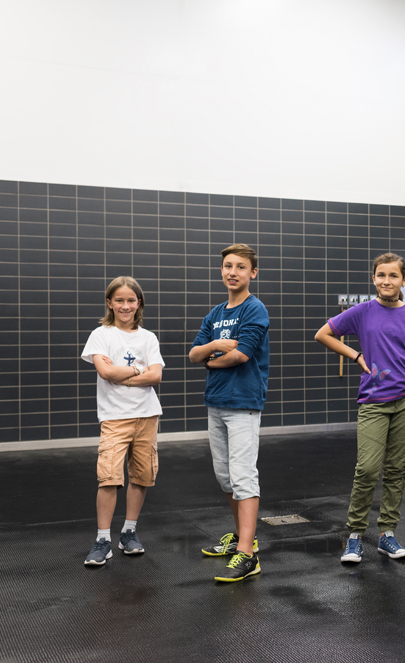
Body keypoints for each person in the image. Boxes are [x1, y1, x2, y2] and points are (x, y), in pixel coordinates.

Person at [315, 253, 405, 563]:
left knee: (396, 468)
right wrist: (354, 356)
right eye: (381, 275)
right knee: (367, 468)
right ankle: (354, 536)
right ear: (374, 279)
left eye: (393, 276)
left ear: (403, 281)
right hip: (373, 401)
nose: (386, 281)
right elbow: (323, 334)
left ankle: (387, 534)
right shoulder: (362, 312)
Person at [189, 243, 270, 582]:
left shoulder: (255, 310)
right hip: (216, 403)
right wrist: (215, 348)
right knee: (225, 477)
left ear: (252, 272)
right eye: (227, 266)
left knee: (243, 476)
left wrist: (213, 358)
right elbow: (194, 354)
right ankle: (240, 536)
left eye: (240, 266)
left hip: (243, 405)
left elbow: (242, 356)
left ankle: (248, 555)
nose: (232, 272)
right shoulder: (216, 313)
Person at [81, 276, 165, 566]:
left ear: (139, 303)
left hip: (147, 416)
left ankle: (129, 532)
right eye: (119, 300)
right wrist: (138, 370)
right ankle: (102, 539)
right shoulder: (101, 334)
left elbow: (156, 376)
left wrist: (123, 373)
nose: (125, 305)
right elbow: (106, 373)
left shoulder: (148, 338)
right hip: (115, 418)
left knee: (141, 476)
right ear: (109, 303)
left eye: (131, 300)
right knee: (109, 478)